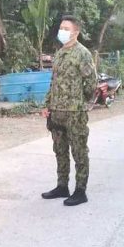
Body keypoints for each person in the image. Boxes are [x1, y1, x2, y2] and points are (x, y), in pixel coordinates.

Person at [41, 15, 97, 206]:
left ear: (76, 32)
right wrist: (48, 105)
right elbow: (54, 82)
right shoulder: (59, 53)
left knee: (79, 151)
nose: (62, 31)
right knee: (60, 150)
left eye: (66, 28)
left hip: (75, 112)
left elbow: (91, 83)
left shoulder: (83, 54)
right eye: (61, 27)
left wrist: (81, 102)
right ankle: (62, 186)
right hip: (57, 111)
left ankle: (80, 191)